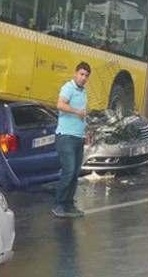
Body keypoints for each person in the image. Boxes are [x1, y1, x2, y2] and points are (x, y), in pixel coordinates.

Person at [52, 61, 91, 218]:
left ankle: (69, 203)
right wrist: (76, 112)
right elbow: (60, 105)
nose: (83, 78)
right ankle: (59, 204)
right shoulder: (68, 88)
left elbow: (84, 114)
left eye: (86, 76)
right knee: (68, 170)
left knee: (75, 172)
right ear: (75, 73)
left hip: (78, 137)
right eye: (81, 74)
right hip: (65, 136)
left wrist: (86, 132)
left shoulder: (83, 92)